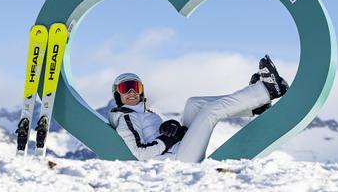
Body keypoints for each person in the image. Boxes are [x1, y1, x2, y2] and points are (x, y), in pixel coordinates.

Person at [108, 55, 290, 162]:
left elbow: (157, 135)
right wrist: (167, 140)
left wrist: (171, 128)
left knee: (193, 103)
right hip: (177, 161)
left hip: (177, 148)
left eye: (136, 87)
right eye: (125, 88)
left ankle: (254, 107)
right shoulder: (126, 119)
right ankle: (265, 92)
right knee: (210, 113)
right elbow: (140, 153)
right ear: (118, 95)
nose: (132, 92)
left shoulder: (142, 112)